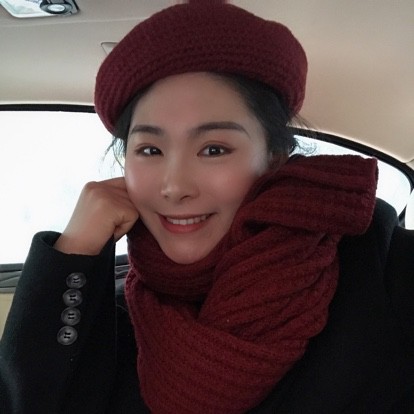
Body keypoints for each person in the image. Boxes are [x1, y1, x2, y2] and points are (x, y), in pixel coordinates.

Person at [1, 1, 413, 413]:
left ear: (274, 158)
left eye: (214, 149)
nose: (174, 187)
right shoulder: (116, 310)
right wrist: (73, 250)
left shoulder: (380, 267)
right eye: (150, 150)